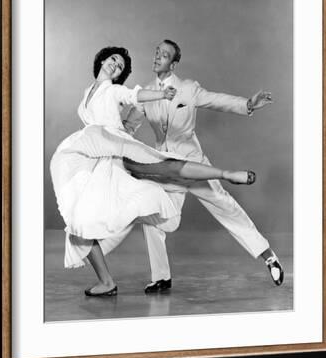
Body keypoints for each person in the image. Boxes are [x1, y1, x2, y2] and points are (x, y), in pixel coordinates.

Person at [50, 46, 256, 297]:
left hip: (115, 151)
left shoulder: (114, 90)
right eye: (113, 60)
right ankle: (106, 282)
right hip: (94, 155)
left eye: (121, 66)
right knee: (77, 225)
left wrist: (160, 95)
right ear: (103, 60)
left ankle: (226, 175)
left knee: (164, 164)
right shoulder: (86, 93)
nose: (116, 65)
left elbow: (134, 96)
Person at [123, 40, 284, 294]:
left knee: (228, 208)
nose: (157, 57)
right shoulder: (146, 93)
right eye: (157, 53)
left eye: (164, 55)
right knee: (153, 216)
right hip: (166, 170)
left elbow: (217, 100)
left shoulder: (188, 89)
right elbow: (129, 127)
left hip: (195, 166)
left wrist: (248, 105)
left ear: (173, 63)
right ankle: (161, 277)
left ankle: (269, 257)